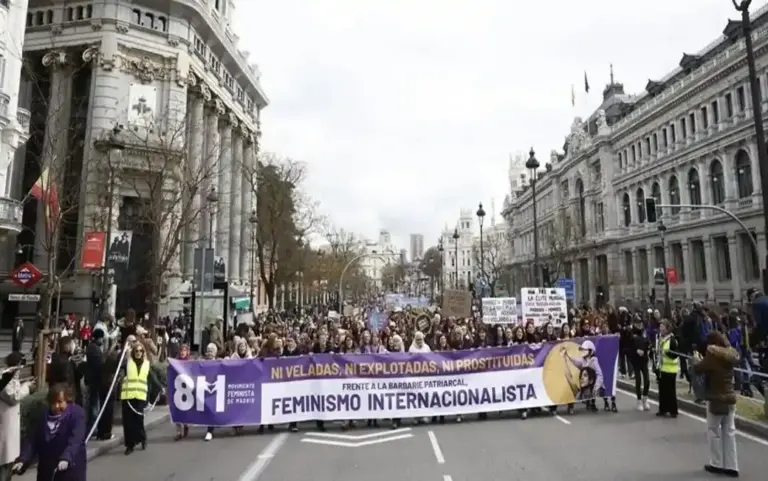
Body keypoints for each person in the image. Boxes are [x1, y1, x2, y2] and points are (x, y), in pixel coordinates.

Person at [11, 383, 87, 481]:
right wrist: (22, 460)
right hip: (47, 471)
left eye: (60, 402)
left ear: (67, 400)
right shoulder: (42, 416)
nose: (56, 406)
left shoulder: (77, 415)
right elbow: (32, 440)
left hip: (70, 471)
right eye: (53, 403)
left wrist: (66, 458)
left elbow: (76, 439)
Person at [693, 331, 740, 477]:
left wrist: (695, 359)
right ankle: (732, 466)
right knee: (730, 432)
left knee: (713, 431)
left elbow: (698, 369)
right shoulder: (731, 355)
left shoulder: (712, 356)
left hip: (716, 397)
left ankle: (716, 463)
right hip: (730, 396)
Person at [120, 340, 163, 455]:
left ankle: (142, 439)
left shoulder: (146, 364)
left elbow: (152, 377)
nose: (138, 352)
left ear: (143, 352)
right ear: (133, 352)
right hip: (128, 397)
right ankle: (130, 445)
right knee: (128, 422)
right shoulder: (127, 362)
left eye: (140, 351)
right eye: (136, 351)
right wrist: (125, 347)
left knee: (138, 420)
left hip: (140, 396)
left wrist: (160, 387)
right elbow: (118, 363)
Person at [0, 353, 35, 481]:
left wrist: (25, 384)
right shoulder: (4, 378)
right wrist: (27, 388)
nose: (20, 370)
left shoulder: (11, 378)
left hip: (9, 427)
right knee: (4, 461)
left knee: (8, 461)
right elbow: (13, 397)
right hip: (5, 427)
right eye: (19, 367)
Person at [656, 319, 680, 418]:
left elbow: (675, 354)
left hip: (670, 369)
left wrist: (667, 353)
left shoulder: (672, 340)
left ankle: (673, 411)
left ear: (667, 329)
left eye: (662, 327)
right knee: (662, 391)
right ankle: (663, 409)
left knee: (670, 391)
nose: (660, 329)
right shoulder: (660, 339)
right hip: (662, 368)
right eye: (660, 327)